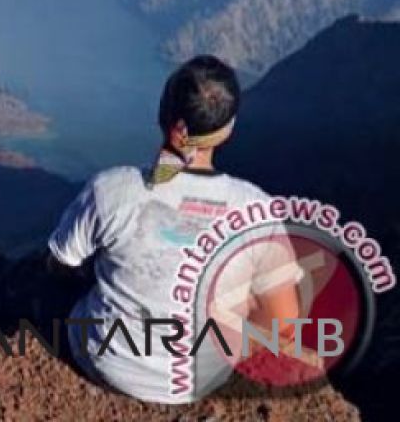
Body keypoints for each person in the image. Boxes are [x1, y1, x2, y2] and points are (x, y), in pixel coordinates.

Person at [47, 55, 303, 403]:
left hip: (110, 363)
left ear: (162, 114)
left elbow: (59, 262)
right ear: (228, 129)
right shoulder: (256, 210)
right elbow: (283, 323)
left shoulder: (112, 189)